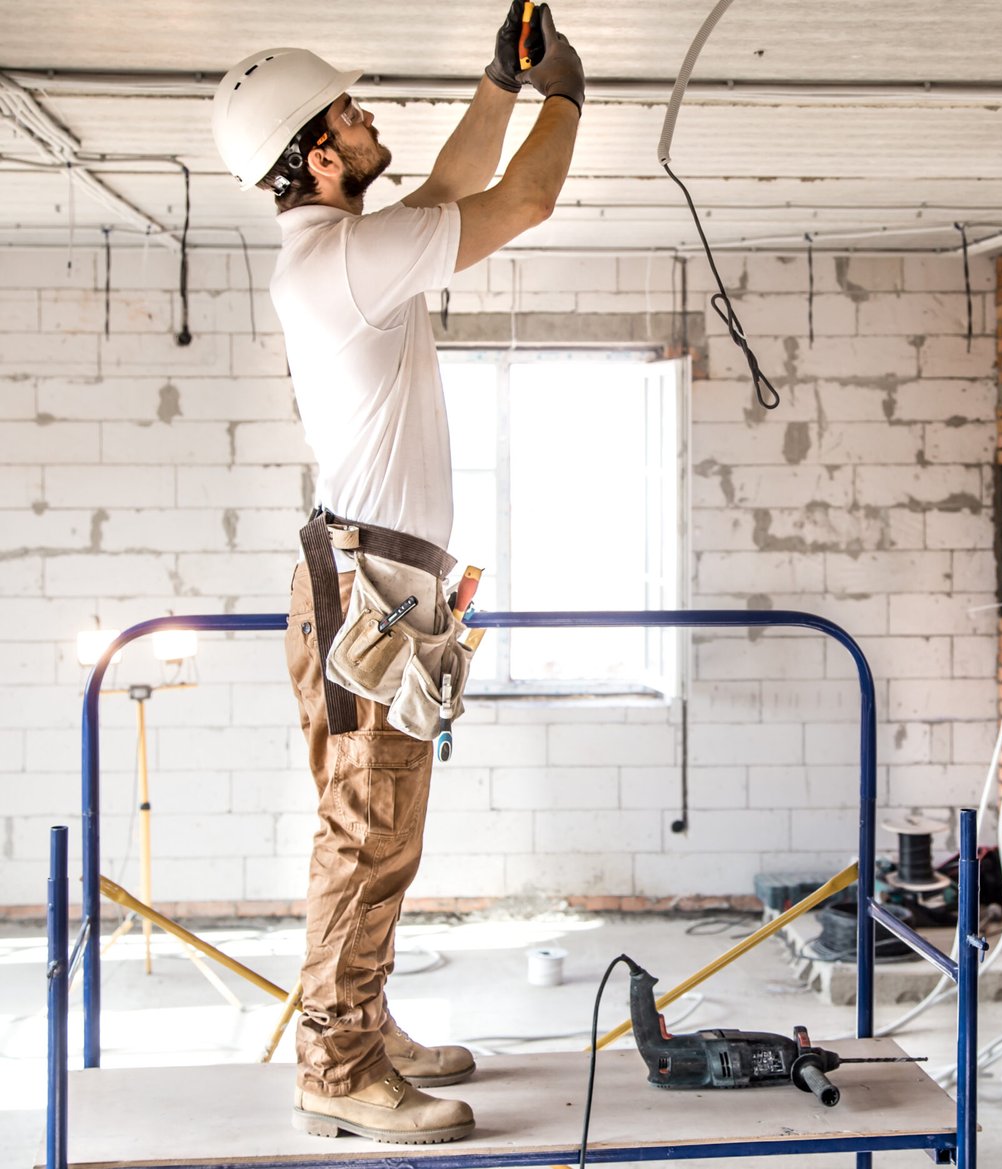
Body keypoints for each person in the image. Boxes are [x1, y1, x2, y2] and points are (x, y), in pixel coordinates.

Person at [210, 2, 584, 1145]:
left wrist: (499, 86)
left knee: (375, 823)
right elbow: (519, 200)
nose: (375, 121)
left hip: (375, 578)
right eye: (355, 114)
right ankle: (335, 1063)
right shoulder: (340, 264)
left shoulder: (348, 252)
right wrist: (566, 92)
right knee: (367, 829)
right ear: (321, 156)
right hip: (368, 583)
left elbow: (442, 196)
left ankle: (361, 1021)